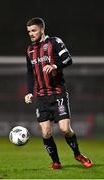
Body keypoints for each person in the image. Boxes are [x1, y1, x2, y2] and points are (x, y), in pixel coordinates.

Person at [24, 17, 93, 169]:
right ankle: (56, 162)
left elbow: (68, 59)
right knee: (46, 132)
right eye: (29, 31)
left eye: (34, 30)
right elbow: (30, 73)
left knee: (64, 129)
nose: (31, 34)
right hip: (42, 97)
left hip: (58, 94)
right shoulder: (29, 50)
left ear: (42, 29)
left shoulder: (54, 42)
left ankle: (77, 154)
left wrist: (54, 65)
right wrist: (29, 92)